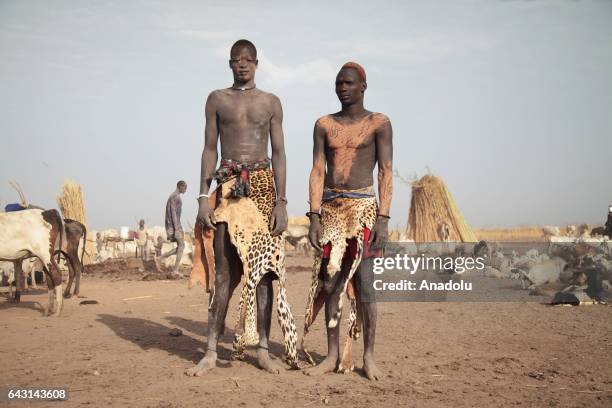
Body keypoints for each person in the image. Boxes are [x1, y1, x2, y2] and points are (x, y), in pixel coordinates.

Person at [186, 39, 298, 376]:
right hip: (230, 188)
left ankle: (263, 349)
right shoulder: (217, 100)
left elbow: (279, 153)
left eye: (248, 60)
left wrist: (281, 201)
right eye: (237, 60)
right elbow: (209, 149)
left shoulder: (271, 103)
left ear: (257, 63)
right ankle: (209, 351)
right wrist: (204, 196)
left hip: (263, 188)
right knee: (224, 274)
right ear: (230, 63)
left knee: (263, 275)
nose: (243, 65)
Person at [302, 62, 393, 381]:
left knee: (367, 285)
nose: (342, 87)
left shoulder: (379, 123)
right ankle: (331, 355)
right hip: (331, 211)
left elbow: (385, 171)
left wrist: (383, 218)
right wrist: (313, 215)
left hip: (365, 210)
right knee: (330, 285)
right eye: (338, 82)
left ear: (363, 86)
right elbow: (317, 170)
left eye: (349, 83)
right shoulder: (324, 124)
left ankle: (368, 357)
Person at [158, 180, 187, 275]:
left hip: (174, 225)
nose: (185, 190)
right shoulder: (175, 197)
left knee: (181, 246)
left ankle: (160, 258)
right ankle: (175, 270)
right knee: (182, 246)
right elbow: (174, 214)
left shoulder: (173, 196)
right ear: (180, 186)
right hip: (174, 226)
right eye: (185, 188)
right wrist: (177, 228)